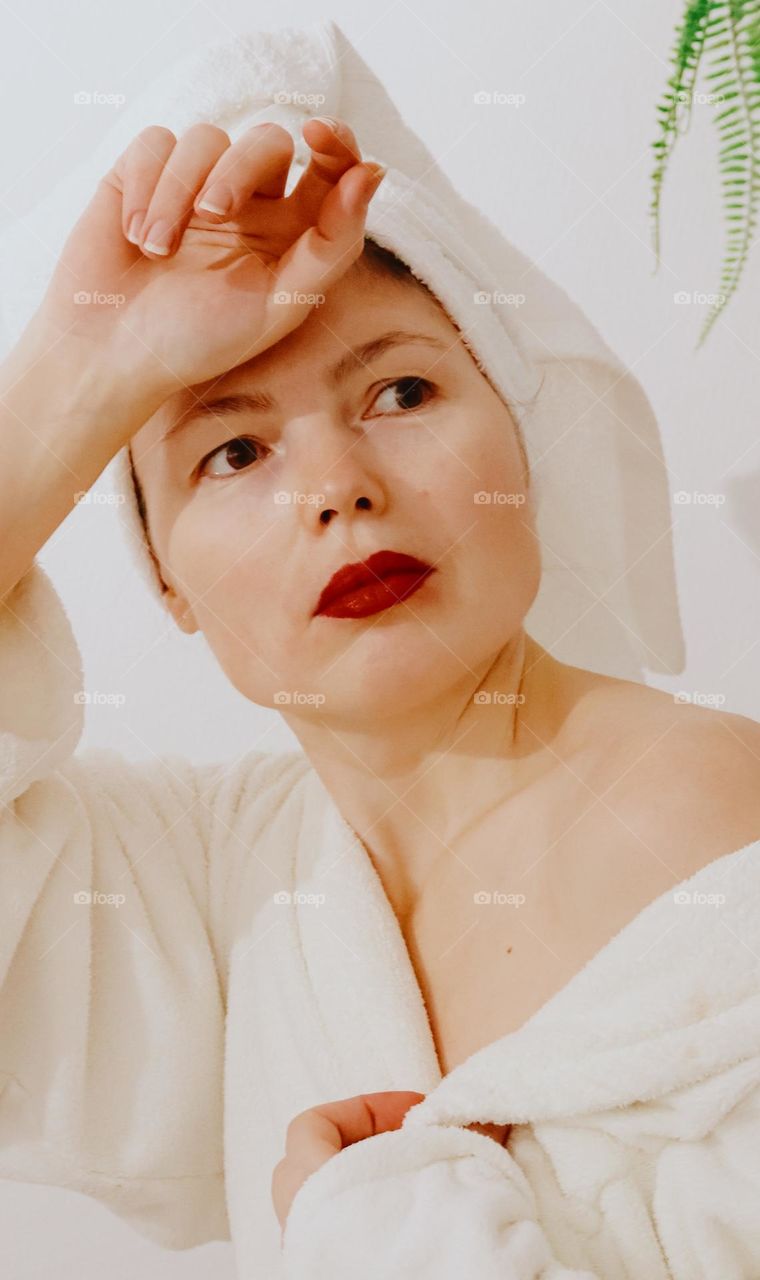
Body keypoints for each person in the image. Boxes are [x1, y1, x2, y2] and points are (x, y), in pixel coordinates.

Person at [2, 114, 760, 1280]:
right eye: (234, 454)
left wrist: (376, 1230)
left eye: (401, 391)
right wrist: (81, 366)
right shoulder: (216, 889)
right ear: (168, 585)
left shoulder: (727, 836)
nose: (340, 489)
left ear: (519, 438)